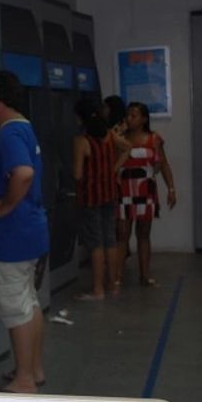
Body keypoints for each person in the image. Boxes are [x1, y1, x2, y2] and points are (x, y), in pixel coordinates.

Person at [0, 71, 49, 393]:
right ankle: (33, 369)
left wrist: (3, 206)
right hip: (28, 233)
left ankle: (24, 381)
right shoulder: (24, 129)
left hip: (9, 237)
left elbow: (23, 173)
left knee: (15, 309)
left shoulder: (9, 133)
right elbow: (8, 172)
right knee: (28, 303)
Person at [73, 98, 131, 300]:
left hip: (91, 198)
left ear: (80, 118)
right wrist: (113, 169)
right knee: (110, 240)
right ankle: (113, 285)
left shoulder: (82, 141)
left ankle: (98, 290)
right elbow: (128, 147)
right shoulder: (109, 136)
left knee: (96, 244)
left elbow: (78, 174)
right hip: (109, 194)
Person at [117, 102, 176, 287]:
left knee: (143, 233)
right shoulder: (119, 138)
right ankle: (117, 276)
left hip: (146, 189)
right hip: (124, 189)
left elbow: (164, 165)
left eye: (134, 115)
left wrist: (171, 189)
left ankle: (145, 275)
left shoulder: (154, 138)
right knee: (122, 233)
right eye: (128, 115)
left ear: (144, 119)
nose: (129, 118)